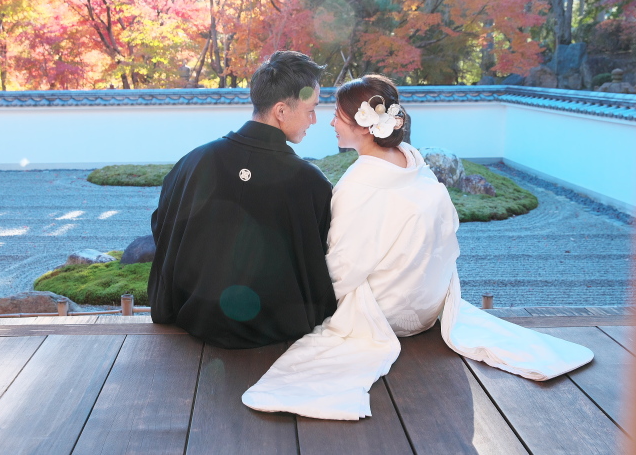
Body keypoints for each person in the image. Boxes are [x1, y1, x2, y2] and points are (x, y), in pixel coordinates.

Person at [243, 75, 593, 420]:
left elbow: (346, 264)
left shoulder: (358, 184)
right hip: (428, 305)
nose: (331, 122)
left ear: (365, 125)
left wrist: (313, 302)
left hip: (387, 312)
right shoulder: (414, 165)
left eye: (338, 114)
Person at [148, 51, 337, 349]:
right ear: (281, 111)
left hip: (194, 320)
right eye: (311, 109)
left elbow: (163, 230)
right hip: (277, 330)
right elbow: (324, 259)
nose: (315, 119)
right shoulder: (310, 183)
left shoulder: (194, 162)